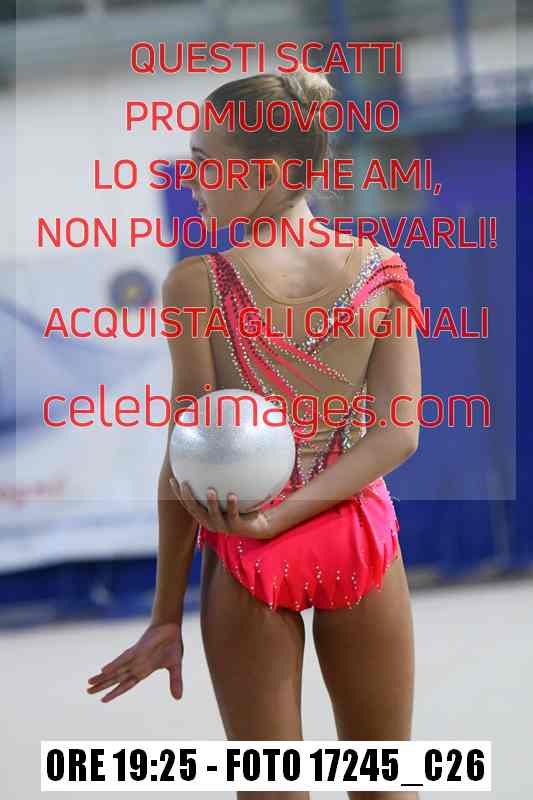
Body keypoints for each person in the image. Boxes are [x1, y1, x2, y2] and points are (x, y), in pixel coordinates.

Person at [86, 67, 422, 800]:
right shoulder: (381, 273)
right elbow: (396, 436)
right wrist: (294, 512)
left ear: (264, 173)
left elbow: (182, 459)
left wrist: (164, 616)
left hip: (244, 547)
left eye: (205, 162)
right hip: (357, 536)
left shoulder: (196, 283)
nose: (192, 179)